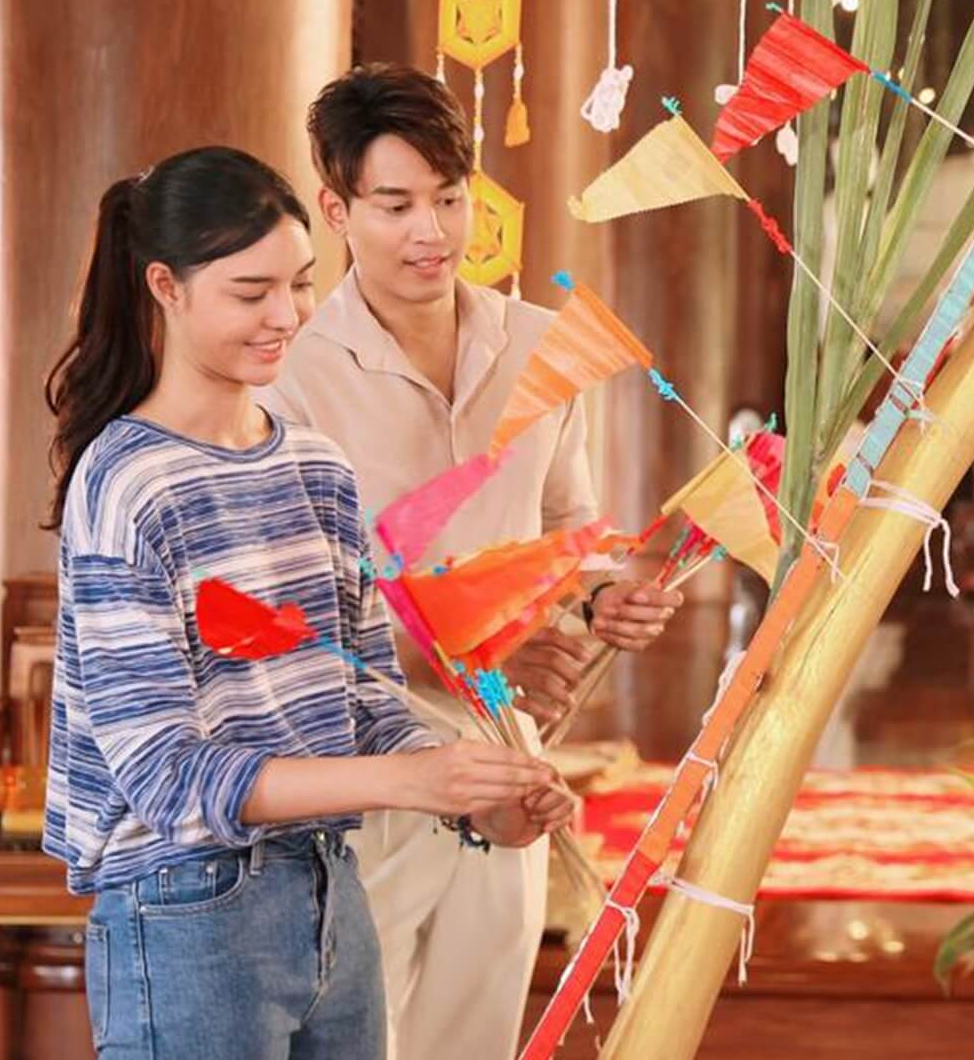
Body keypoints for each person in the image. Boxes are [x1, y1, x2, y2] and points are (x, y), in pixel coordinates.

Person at [40, 145, 570, 1059]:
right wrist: (409, 783)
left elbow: (360, 696)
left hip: (329, 889)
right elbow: (164, 775)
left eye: (299, 284)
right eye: (251, 293)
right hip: (183, 914)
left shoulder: (315, 466)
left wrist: (474, 800)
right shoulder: (128, 482)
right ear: (165, 287)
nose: (286, 316)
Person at [258, 64, 684, 1058]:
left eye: (449, 199)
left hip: (506, 771)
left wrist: (604, 600)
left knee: (478, 1039)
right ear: (336, 209)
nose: (432, 232)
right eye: (396, 204)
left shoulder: (541, 345)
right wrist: (472, 654)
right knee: (358, 1042)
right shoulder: (290, 374)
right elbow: (291, 611)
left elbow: (570, 530)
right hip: (361, 774)